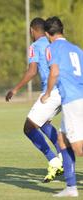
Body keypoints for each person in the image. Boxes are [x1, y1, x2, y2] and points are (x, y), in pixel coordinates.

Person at [5, 17, 63, 182]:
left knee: (29, 127)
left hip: (51, 91)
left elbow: (32, 71)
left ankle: (54, 160)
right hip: (66, 90)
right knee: (43, 123)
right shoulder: (55, 41)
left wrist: (15, 89)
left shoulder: (35, 46)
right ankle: (62, 155)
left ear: (32, 30)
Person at [41, 16, 83, 197]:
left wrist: (48, 93)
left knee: (78, 148)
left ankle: (72, 187)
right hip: (79, 97)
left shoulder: (51, 48)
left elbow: (54, 72)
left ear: (46, 34)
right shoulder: (77, 49)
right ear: (62, 30)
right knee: (62, 139)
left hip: (73, 100)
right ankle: (71, 187)